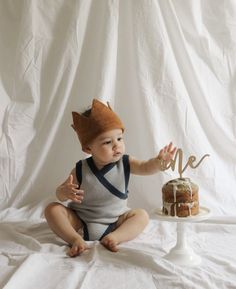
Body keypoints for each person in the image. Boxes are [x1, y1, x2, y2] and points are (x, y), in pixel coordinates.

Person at [44, 99, 176, 257]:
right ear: (88, 148)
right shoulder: (81, 169)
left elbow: (145, 167)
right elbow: (60, 194)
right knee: (52, 209)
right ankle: (74, 239)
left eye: (119, 139)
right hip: (81, 221)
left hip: (116, 221)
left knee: (142, 215)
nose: (116, 145)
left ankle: (114, 237)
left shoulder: (126, 162)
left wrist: (158, 162)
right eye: (107, 142)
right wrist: (64, 192)